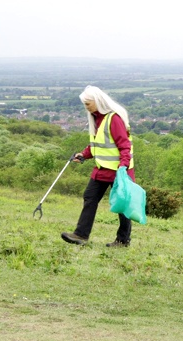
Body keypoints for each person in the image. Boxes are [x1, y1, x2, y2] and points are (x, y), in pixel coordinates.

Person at [61, 85, 136, 248]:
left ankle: (123, 240)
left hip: (119, 170)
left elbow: (124, 146)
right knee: (90, 197)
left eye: (88, 104)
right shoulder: (96, 118)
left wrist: (123, 167)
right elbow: (97, 144)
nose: (86, 107)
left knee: (122, 205)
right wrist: (84, 155)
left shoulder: (113, 118)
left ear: (98, 101)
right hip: (102, 169)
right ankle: (80, 235)